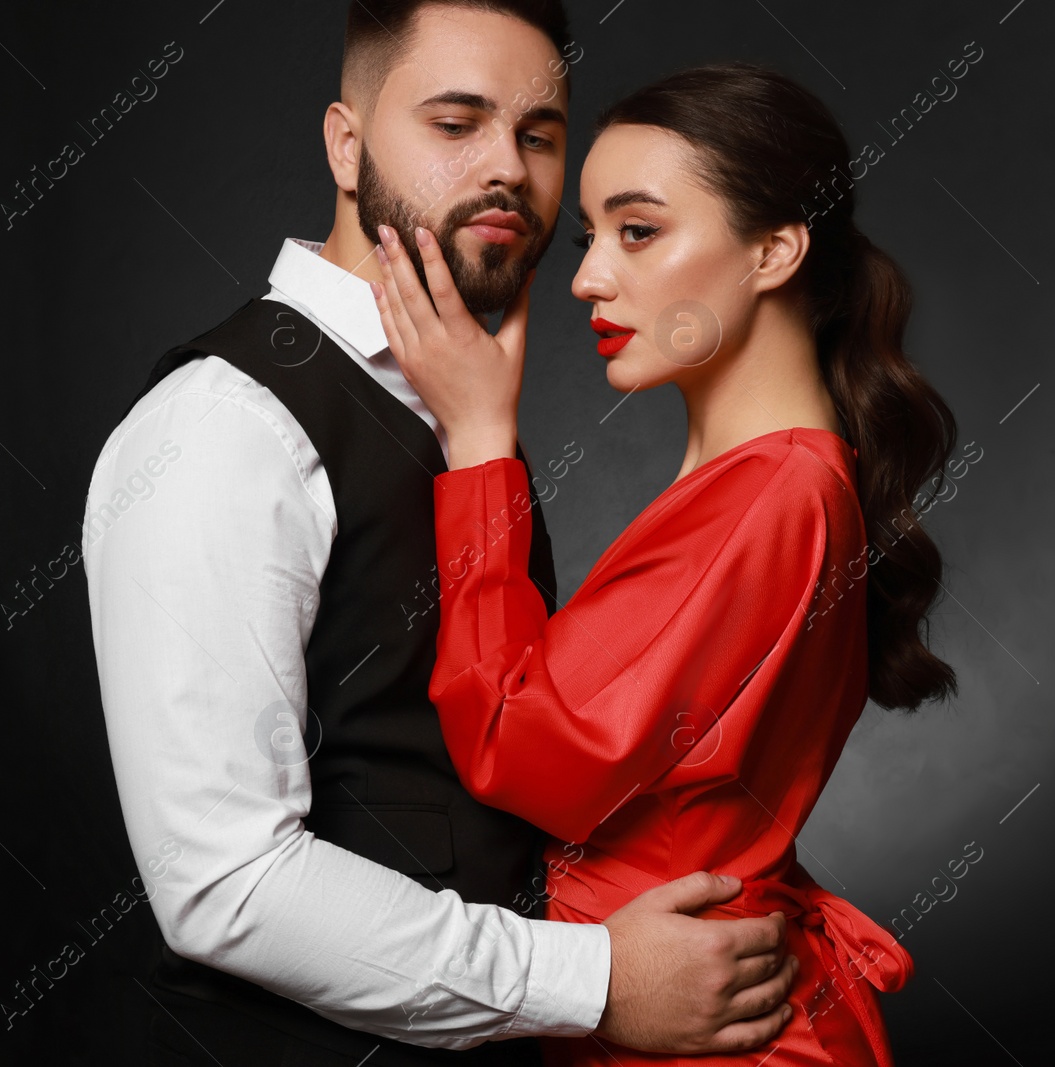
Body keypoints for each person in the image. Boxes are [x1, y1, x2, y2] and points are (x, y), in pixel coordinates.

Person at [82, 5, 799, 1065]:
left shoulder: (459, 411)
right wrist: (595, 978)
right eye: (455, 123)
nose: (506, 167)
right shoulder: (219, 427)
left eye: (539, 134)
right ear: (345, 142)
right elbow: (223, 883)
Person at [368, 61, 960, 1066]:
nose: (588, 276)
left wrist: (476, 438)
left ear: (775, 248)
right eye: (593, 235)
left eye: (637, 232)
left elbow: (515, 749)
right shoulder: (771, 483)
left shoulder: (770, 496)